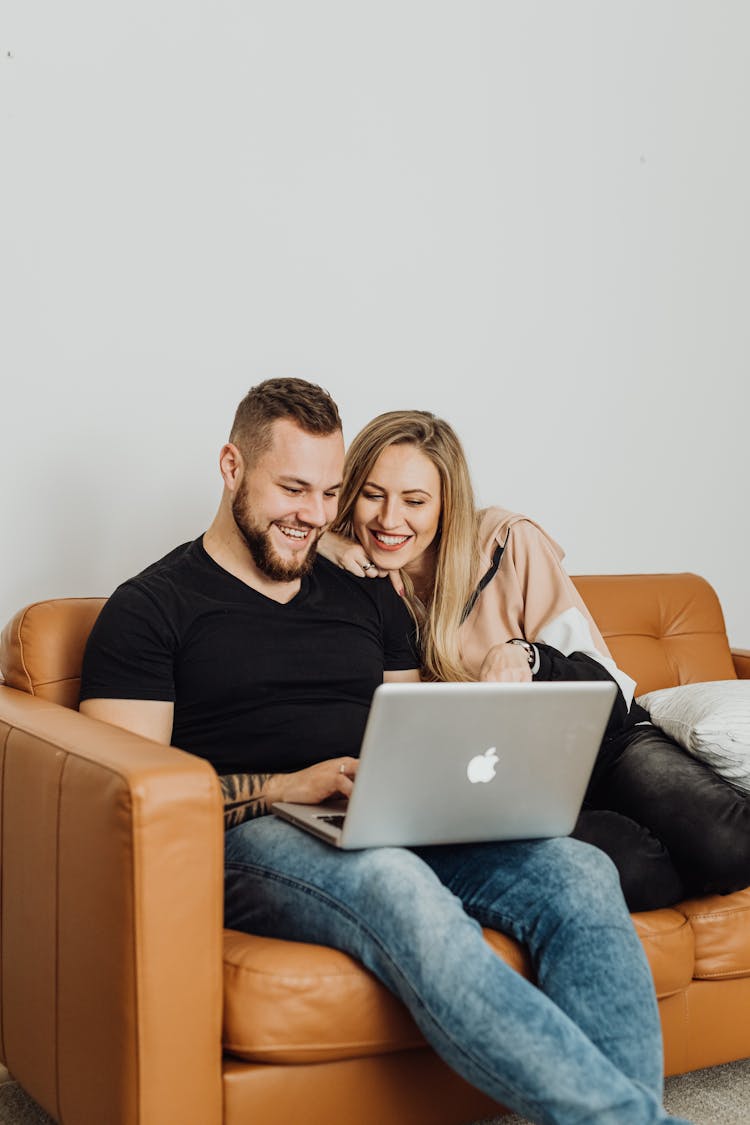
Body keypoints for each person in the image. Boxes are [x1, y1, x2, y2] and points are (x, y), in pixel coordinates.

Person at [79, 379, 689, 1125]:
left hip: (384, 810)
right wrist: (281, 786)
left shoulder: (366, 592)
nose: (313, 514)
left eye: (331, 491)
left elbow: (413, 721)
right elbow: (125, 797)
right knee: (398, 884)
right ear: (231, 466)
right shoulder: (151, 607)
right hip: (256, 835)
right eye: (292, 487)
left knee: (581, 871)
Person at [322, 409, 750, 912]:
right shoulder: (353, 583)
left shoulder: (508, 543)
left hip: (604, 744)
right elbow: (265, 535)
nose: (390, 520)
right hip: (506, 783)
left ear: (446, 504)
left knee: (731, 848)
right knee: (634, 869)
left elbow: (609, 684)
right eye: (373, 495)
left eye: (415, 500)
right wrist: (325, 542)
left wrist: (528, 657)